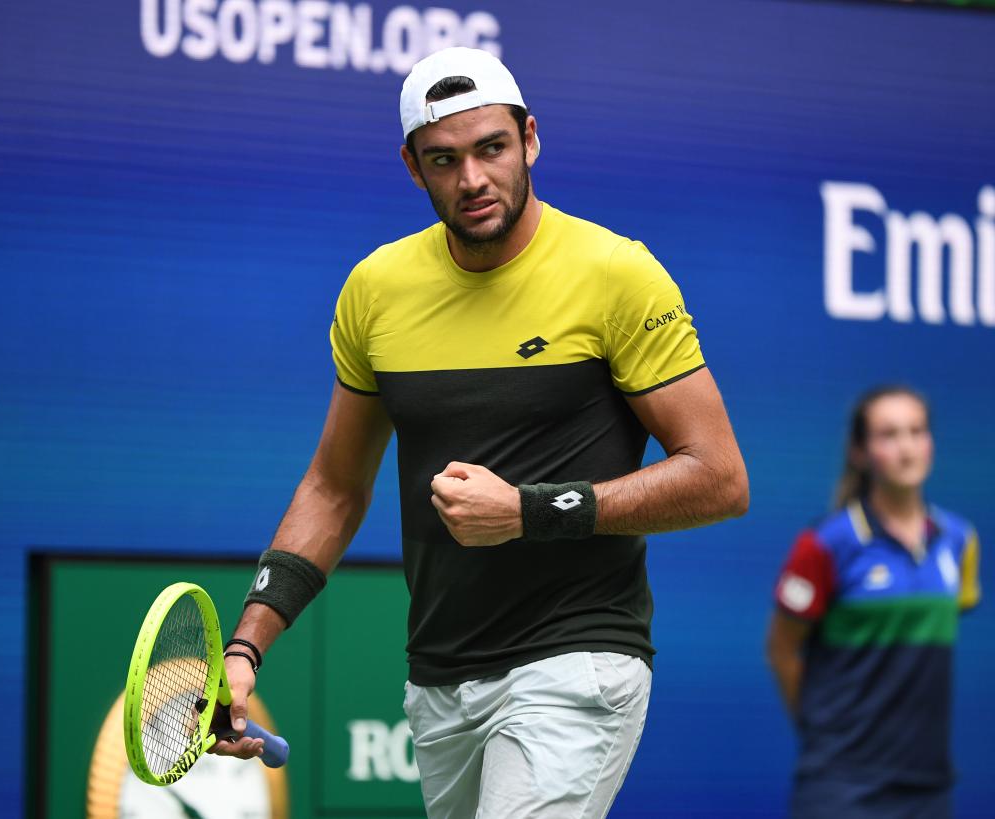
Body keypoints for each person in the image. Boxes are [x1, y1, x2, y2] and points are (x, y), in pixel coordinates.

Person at [213, 46, 748, 817]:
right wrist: (245, 647)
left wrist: (530, 510)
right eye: (445, 159)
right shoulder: (377, 289)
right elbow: (334, 486)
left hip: (578, 659)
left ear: (529, 138)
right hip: (440, 678)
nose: (472, 179)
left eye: (491, 148)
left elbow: (720, 477)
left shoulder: (618, 274)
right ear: (412, 167)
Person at [767, 386, 981, 819]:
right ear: (861, 452)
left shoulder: (961, 541)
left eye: (916, 431)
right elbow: (782, 649)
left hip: (929, 787)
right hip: (842, 785)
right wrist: (823, 732)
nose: (906, 448)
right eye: (888, 435)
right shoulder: (825, 545)